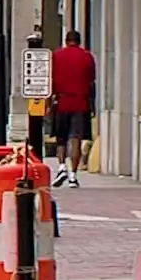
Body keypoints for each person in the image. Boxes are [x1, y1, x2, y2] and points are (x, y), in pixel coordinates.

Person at [50, 30, 96, 189]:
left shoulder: (56, 56)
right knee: (75, 138)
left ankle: (62, 166)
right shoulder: (87, 56)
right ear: (79, 41)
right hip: (80, 102)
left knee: (60, 138)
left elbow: (51, 78)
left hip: (61, 101)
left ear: (66, 40)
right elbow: (91, 80)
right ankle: (73, 176)